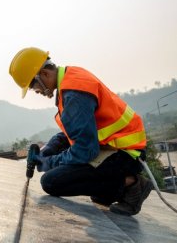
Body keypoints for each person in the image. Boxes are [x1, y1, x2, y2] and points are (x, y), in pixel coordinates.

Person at [8, 47, 153, 216]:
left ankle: (132, 184)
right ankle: (111, 190)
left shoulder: (74, 94)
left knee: (51, 182)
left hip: (126, 154)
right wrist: (49, 149)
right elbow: (74, 131)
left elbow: (85, 151)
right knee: (89, 186)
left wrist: (48, 162)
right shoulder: (70, 78)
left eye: (33, 86)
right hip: (113, 147)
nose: (36, 91)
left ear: (45, 74)